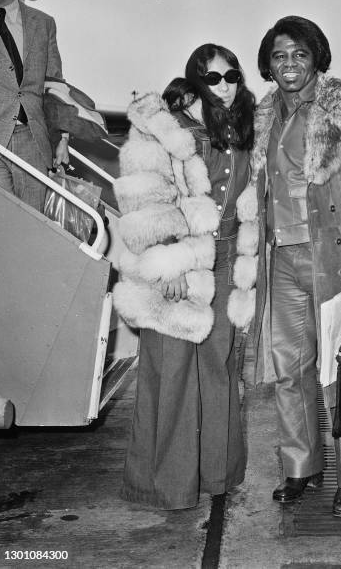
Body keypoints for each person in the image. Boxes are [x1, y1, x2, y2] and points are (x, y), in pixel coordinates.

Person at [251, 15, 341, 517]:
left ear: (317, 56)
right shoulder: (265, 113)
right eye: (279, 55)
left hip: (331, 259)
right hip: (280, 259)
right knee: (290, 372)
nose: (289, 63)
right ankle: (301, 468)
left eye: (299, 53)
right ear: (267, 65)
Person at [112, 44, 259, 509]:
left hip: (227, 259)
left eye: (231, 75)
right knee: (171, 371)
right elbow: (142, 195)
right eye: (213, 78)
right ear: (194, 80)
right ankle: (165, 486)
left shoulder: (238, 126)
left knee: (218, 370)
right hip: (180, 261)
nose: (225, 85)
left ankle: (216, 474)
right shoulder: (164, 126)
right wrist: (166, 258)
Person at [0, 0, 68, 212]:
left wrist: (64, 138)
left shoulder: (43, 23)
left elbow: (55, 83)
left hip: (32, 141)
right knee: (2, 230)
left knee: (33, 226)